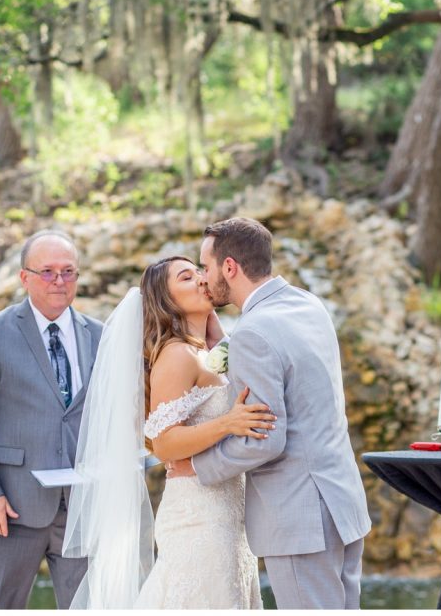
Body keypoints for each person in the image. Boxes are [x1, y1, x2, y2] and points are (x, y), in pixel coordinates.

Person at [176, 217, 372, 609]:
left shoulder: (253, 333)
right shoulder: (306, 304)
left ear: (229, 267)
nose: (203, 276)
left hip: (300, 518)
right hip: (343, 504)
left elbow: (265, 440)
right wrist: (226, 344)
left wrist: (198, 467)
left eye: (206, 266)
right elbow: (285, 369)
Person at [63, 255, 273, 608]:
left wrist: (212, 324)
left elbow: (227, 365)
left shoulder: (205, 350)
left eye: (200, 272)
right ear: (168, 300)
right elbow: (163, 443)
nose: (202, 280)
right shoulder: (177, 355)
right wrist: (228, 423)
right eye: (187, 278)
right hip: (199, 515)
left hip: (230, 512)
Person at [0, 231, 101, 609]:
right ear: (24, 277)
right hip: (12, 506)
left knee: (87, 607)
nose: (59, 281)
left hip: (80, 508)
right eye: (47, 271)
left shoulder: (100, 335)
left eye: (68, 271)